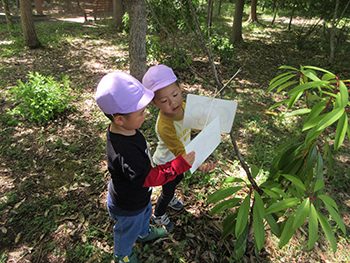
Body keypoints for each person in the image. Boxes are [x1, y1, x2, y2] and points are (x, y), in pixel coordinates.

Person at [95, 71, 196, 263]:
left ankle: (144, 231)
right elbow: (147, 177)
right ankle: (122, 254)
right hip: (128, 204)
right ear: (119, 119)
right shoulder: (123, 151)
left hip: (139, 195)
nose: (146, 114)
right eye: (140, 112)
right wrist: (178, 165)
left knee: (145, 212)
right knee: (128, 228)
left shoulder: (127, 129)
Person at [142, 65, 215, 232]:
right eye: (164, 101)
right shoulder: (164, 127)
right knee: (167, 191)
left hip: (180, 162)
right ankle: (158, 213)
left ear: (180, 88)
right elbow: (179, 151)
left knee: (178, 180)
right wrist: (198, 163)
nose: (173, 102)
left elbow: (195, 126)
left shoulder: (185, 108)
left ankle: (171, 196)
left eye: (175, 95)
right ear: (154, 103)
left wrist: (210, 124)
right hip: (168, 164)